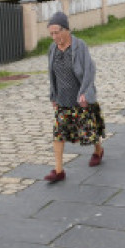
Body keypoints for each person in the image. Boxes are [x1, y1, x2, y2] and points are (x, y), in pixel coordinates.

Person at [44, 11, 105, 183]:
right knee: (58, 133)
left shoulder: (79, 46)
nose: (54, 37)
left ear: (67, 30)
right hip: (62, 98)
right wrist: (53, 96)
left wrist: (85, 92)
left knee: (89, 132)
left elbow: (89, 70)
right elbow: (52, 75)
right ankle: (58, 171)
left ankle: (98, 150)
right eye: (51, 34)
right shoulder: (52, 49)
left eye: (57, 33)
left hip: (80, 98)